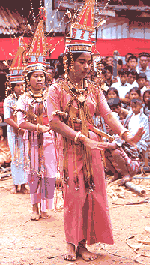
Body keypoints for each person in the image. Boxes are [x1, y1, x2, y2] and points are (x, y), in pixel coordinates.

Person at [47, 40, 144, 262]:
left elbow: (108, 115)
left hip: (92, 148)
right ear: (69, 63)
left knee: (92, 194)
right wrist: (80, 137)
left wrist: (126, 135)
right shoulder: (56, 89)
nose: (87, 67)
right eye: (82, 62)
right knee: (74, 196)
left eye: (89, 62)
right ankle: (71, 243)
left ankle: (83, 244)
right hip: (71, 147)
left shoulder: (93, 88)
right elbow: (53, 122)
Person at [17, 63, 57, 220]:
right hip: (33, 140)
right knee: (34, 174)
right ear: (28, 79)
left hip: (50, 139)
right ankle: (34, 207)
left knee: (50, 173)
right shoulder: (24, 99)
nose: (40, 79)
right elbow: (21, 122)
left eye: (42, 76)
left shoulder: (51, 97)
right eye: (36, 76)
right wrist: (38, 127)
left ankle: (46, 207)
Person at [4, 82, 28, 194]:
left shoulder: (27, 99)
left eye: (22, 85)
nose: (20, 88)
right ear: (13, 87)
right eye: (17, 85)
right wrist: (20, 127)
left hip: (24, 131)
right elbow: (7, 119)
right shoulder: (8, 100)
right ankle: (15, 184)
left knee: (24, 156)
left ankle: (23, 185)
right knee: (15, 157)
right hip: (13, 132)